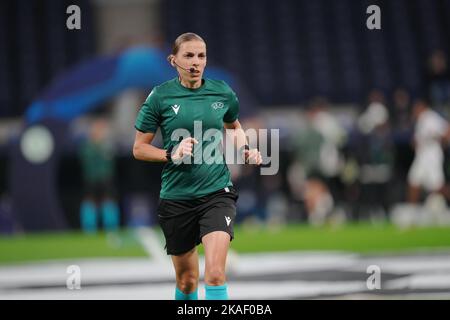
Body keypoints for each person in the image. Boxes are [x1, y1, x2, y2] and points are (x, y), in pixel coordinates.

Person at [132, 32, 262, 300]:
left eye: (201, 56)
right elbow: (139, 148)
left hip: (217, 193)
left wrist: (245, 149)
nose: (195, 62)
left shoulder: (222, 91)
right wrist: (171, 153)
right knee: (188, 281)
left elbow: (233, 125)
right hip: (177, 198)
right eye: (188, 55)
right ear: (173, 60)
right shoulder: (160, 96)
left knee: (214, 274)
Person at [79, 118, 120, 233]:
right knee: (90, 202)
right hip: (91, 180)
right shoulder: (87, 147)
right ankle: (89, 228)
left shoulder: (107, 146)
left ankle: (111, 228)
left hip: (105, 179)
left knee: (108, 201)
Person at [407, 98, 450, 203]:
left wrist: (443, 141)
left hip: (431, 156)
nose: (414, 110)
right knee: (413, 181)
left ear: (422, 107)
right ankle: (413, 210)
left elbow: (447, 130)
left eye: (416, 108)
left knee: (438, 186)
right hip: (422, 156)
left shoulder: (430, 117)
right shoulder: (421, 119)